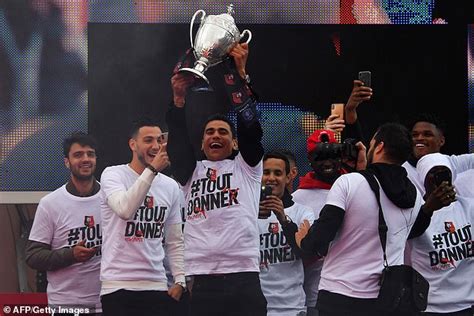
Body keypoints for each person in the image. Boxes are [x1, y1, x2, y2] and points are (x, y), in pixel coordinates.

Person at [293, 123, 455, 316]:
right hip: (388, 299)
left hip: (340, 297)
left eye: (371, 145)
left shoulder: (348, 182)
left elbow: (320, 238)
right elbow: (413, 232)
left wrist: (303, 239)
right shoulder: (413, 192)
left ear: (379, 147)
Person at [167, 43, 267, 315]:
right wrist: (178, 100)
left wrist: (239, 78)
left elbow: (250, 127)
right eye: (209, 132)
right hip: (203, 278)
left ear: (234, 143)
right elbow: (176, 145)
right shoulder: (191, 173)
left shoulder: (246, 167)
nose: (215, 136)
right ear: (201, 144)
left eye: (223, 132)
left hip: (243, 275)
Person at [99, 118, 185, 316]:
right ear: (133, 144)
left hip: (157, 285)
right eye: (148, 140)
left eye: (159, 140)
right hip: (118, 286)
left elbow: (174, 239)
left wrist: (180, 280)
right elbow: (124, 209)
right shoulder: (113, 175)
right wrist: (152, 170)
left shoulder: (170, 186)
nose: (155, 146)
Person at [26, 132, 102, 314]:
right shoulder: (50, 203)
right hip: (65, 305)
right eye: (78, 155)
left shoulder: (113, 198)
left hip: (107, 302)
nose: (85, 159)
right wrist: (71, 255)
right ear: (66, 162)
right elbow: (33, 255)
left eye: (90, 154)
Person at [406, 153, 474, 315]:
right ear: (424, 179)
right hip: (430, 306)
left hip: (468, 304)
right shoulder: (413, 211)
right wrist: (428, 209)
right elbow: (407, 234)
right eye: (434, 173)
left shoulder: (469, 206)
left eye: (445, 172)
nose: (440, 178)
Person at [258, 151, 314, 316]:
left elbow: (305, 252)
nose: (271, 178)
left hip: (292, 308)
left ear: (288, 178)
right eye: (266, 172)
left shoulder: (303, 212)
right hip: (257, 306)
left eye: (278, 173)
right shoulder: (247, 212)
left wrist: (284, 219)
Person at [403, 113, 474, 195]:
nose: (420, 138)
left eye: (427, 134)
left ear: (441, 141)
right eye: (414, 135)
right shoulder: (402, 172)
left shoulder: (456, 163)